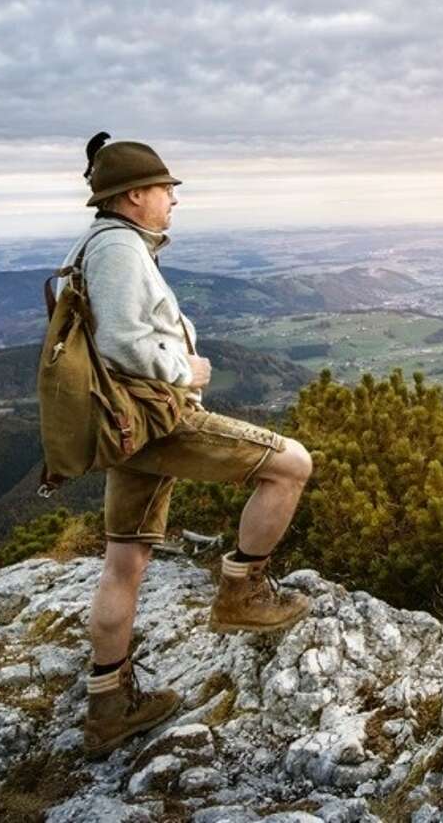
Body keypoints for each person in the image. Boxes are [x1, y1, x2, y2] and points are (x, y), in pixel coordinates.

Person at [59, 133, 314, 759]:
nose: (173, 199)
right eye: (166, 189)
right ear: (134, 195)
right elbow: (122, 341)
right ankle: (241, 591)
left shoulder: (99, 245)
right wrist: (184, 369)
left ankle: (108, 706)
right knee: (290, 465)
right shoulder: (118, 249)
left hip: (124, 429)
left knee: (125, 563)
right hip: (154, 421)